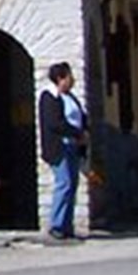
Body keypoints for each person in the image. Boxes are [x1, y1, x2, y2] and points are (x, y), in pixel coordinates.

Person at [38, 61, 88, 241]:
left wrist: (84, 133)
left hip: (73, 146)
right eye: (69, 76)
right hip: (59, 147)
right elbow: (55, 123)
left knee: (72, 184)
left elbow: (80, 117)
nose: (72, 80)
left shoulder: (70, 97)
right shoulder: (49, 97)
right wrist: (77, 133)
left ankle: (67, 225)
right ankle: (56, 225)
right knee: (64, 183)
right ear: (60, 78)